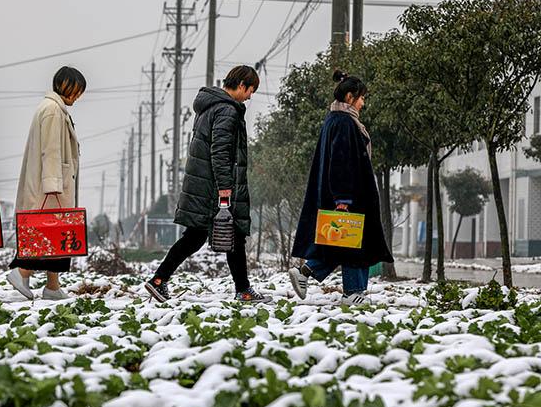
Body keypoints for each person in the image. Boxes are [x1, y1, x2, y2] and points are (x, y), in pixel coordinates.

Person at [145, 65, 271, 304]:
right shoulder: (227, 110)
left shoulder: (209, 107)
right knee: (232, 235)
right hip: (215, 188)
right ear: (242, 85)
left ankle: (159, 280)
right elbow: (220, 153)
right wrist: (226, 189)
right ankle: (243, 290)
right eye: (250, 90)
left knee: (196, 236)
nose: (250, 97)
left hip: (204, 185)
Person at [289, 70, 393, 306]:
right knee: (353, 243)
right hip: (350, 195)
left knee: (341, 242)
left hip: (344, 194)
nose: (363, 103)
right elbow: (341, 161)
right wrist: (343, 199)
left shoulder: (334, 119)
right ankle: (353, 292)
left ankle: (306, 272)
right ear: (350, 96)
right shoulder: (345, 122)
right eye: (361, 97)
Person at [7, 66, 86, 301]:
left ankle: (52, 285)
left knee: (55, 233)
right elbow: (50, 150)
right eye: (77, 90)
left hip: (52, 183)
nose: (78, 96)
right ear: (66, 86)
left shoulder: (54, 108)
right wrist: (53, 185)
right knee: (48, 232)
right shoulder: (53, 110)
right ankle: (22, 271)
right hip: (50, 186)